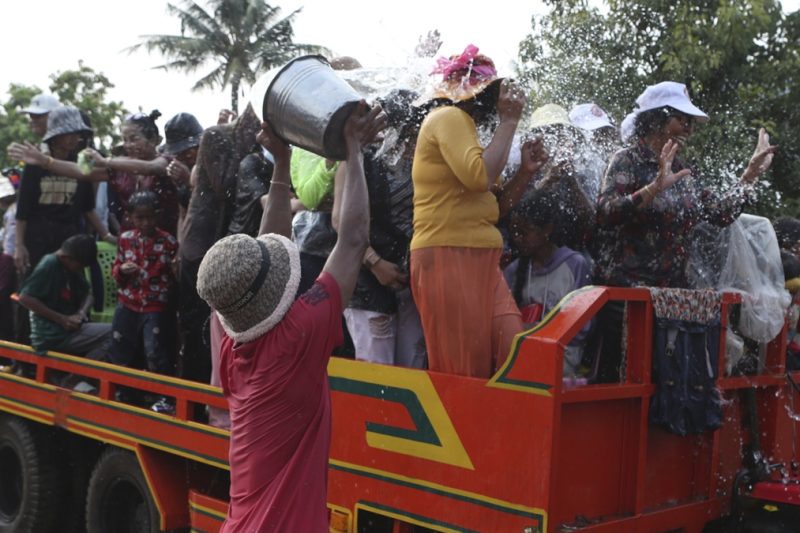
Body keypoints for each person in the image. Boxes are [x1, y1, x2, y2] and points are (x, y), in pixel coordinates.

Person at [196, 102, 386, 532]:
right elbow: (353, 240)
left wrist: (281, 164)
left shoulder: (232, 342)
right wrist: (353, 150)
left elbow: (277, 245)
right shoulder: (299, 335)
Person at [593, 81, 776, 382]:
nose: (689, 128)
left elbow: (720, 213)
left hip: (671, 300)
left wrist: (750, 174)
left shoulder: (684, 170)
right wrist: (651, 190)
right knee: (618, 384)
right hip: (626, 299)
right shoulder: (626, 159)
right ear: (656, 119)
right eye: (683, 119)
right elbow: (605, 213)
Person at [410, 44, 543, 378]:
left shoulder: (465, 129)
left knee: (515, 353)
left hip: (481, 259)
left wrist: (524, 173)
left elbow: (493, 207)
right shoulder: (447, 117)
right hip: (447, 253)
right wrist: (510, 122)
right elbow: (480, 176)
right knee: (464, 373)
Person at [332, 89, 427, 368]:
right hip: (367, 282)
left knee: (413, 369)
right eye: (411, 133)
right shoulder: (357, 159)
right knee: (377, 372)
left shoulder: (422, 161)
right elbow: (339, 220)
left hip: (410, 283)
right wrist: (375, 263)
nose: (416, 141)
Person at [179, 104, 261, 382]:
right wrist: (253, 157)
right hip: (199, 246)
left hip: (220, 245)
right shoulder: (216, 135)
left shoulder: (247, 144)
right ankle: (193, 391)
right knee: (196, 327)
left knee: (216, 326)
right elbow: (223, 186)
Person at [504, 190, 592, 377]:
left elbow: (582, 328)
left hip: (563, 355)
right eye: (515, 232)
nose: (518, 238)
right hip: (522, 352)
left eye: (525, 232)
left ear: (547, 230)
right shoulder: (514, 270)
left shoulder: (574, 265)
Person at [109, 191, 178, 388]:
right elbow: (117, 269)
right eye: (140, 218)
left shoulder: (168, 242)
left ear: (158, 216)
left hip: (155, 305)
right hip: (128, 302)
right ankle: (124, 390)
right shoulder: (125, 239)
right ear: (130, 217)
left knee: (155, 351)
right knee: (120, 347)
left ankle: (162, 394)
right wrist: (122, 271)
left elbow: (173, 277)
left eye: (150, 217)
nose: (146, 222)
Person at [17, 234, 111, 360]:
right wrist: (62, 319)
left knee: (118, 333)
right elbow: (24, 298)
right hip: (53, 334)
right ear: (66, 258)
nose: (80, 269)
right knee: (112, 334)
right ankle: (77, 376)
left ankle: (77, 376)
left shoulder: (71, 269)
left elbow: (89, 294)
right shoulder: (49, 264)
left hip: (72, 328)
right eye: (79, 266)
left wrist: (81, 313)